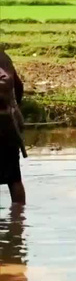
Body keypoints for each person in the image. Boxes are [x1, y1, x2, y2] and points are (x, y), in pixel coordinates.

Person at [0, 50, 26, 205]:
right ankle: (17, 220)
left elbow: (11, 83)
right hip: (7, 121)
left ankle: (15, 221)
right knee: (14, 177)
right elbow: (19, 86)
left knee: (13, 176)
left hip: (4, 122)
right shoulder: (3, 57)